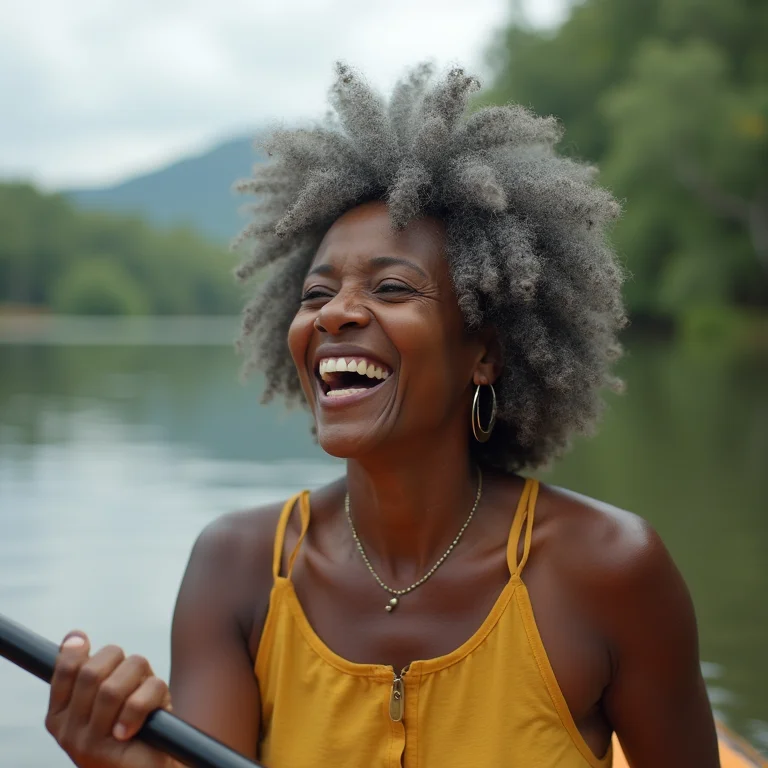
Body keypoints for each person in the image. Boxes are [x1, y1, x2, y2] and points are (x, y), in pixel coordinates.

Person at [44, 63, 720, 767]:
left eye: (391, 287)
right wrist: (120, 763)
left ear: (485, 352)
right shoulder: (239, 567)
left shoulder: (609, 571)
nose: (335, 313)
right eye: (316, 294)